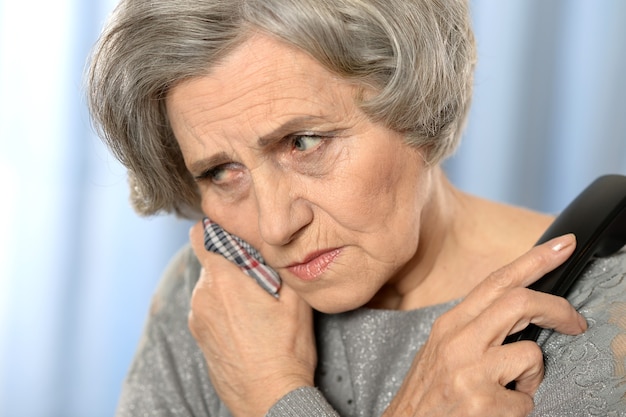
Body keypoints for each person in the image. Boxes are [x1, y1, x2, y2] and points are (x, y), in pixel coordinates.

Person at [86, 0, 626, 416]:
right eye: (221, 172)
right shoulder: (219, 297)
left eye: (304, 142)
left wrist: (273, 396)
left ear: (418, 99)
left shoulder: (599, 317)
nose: (275, 227)